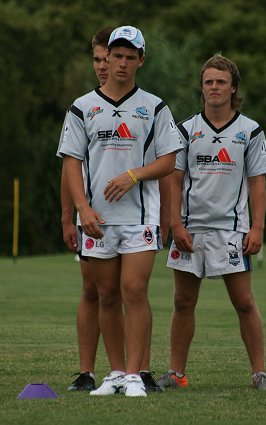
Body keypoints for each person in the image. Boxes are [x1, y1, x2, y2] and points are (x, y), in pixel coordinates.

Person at [59, 25, 182, 397]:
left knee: (134, 290)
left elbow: (170, 160)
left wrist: (134, 175)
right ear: (106, 58)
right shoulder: (83, 107)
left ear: (140, 61)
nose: (123, 62)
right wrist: (81, 209)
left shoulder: (154, 106)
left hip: (140, 217)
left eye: (131, 56)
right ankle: (114, 373)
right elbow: (70, 163)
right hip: (96, 220)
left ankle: (134, 375)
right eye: (117, 55)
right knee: (106, 294)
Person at [158, 54, 266, 391]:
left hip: (232, 231)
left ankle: (259, 373)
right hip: (190, 230)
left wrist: (257, 228)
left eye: (221, 81)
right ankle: (176, 373)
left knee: (244, 302)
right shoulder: (185, 129)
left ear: (233, 87)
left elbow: (257, 183)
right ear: (202, 87)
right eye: (208, 81)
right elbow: (174, 180)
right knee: (183, 302)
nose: (214, 87)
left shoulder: (249, 131)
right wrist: (175, 225)